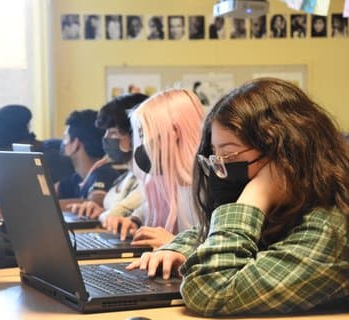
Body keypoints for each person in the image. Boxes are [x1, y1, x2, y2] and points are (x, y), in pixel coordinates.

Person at [127, 77, 349, 316]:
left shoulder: (329, 229)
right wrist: (176, 250)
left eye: (229, 155)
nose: (219, 168)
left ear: (285, 154)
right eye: (214, 156)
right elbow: (206, 231)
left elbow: (211, 291)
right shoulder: (287, 208)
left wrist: (257, 194)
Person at [104, 89, 205, 249]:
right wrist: (134, 220)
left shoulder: (208, 186)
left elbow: (220, 251)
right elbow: (150, 207)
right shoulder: (166, 180)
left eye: (144, 134)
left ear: (175, 133)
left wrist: (174, 243)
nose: (142, 143)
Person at [66, 93, 149, 219]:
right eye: (106, 132)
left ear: (136, 134)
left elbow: (115, 215)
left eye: (113, 132)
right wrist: (98, 210)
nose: (105, 138)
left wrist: (104, 215)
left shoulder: (148, 181)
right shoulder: (128, 176)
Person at [57, 109, 122, 208]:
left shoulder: (103, 173)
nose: (63, 143)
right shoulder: (79, 178)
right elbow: (50, 191)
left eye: (66, 138)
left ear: (75, 144)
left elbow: (95, 203)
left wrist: (50, 207)